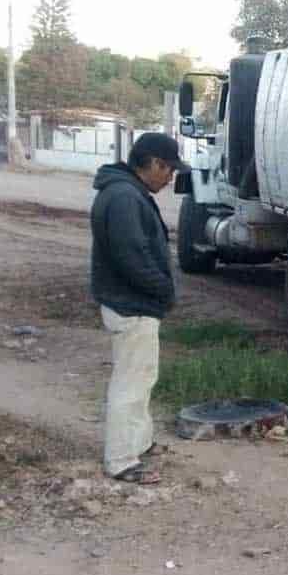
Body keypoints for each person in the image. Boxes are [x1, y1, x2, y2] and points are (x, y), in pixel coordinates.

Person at [90, 133, 187, 484]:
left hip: (132, 302)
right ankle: (121, 459)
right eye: (169, 170)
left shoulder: (123, 192)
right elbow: (132, 258)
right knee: (130, 384)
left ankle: (139, 443)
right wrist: (163, 291)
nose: (171, 178)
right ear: (154, 164)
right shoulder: (125, 197)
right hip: (132, 304)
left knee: (142, 377)